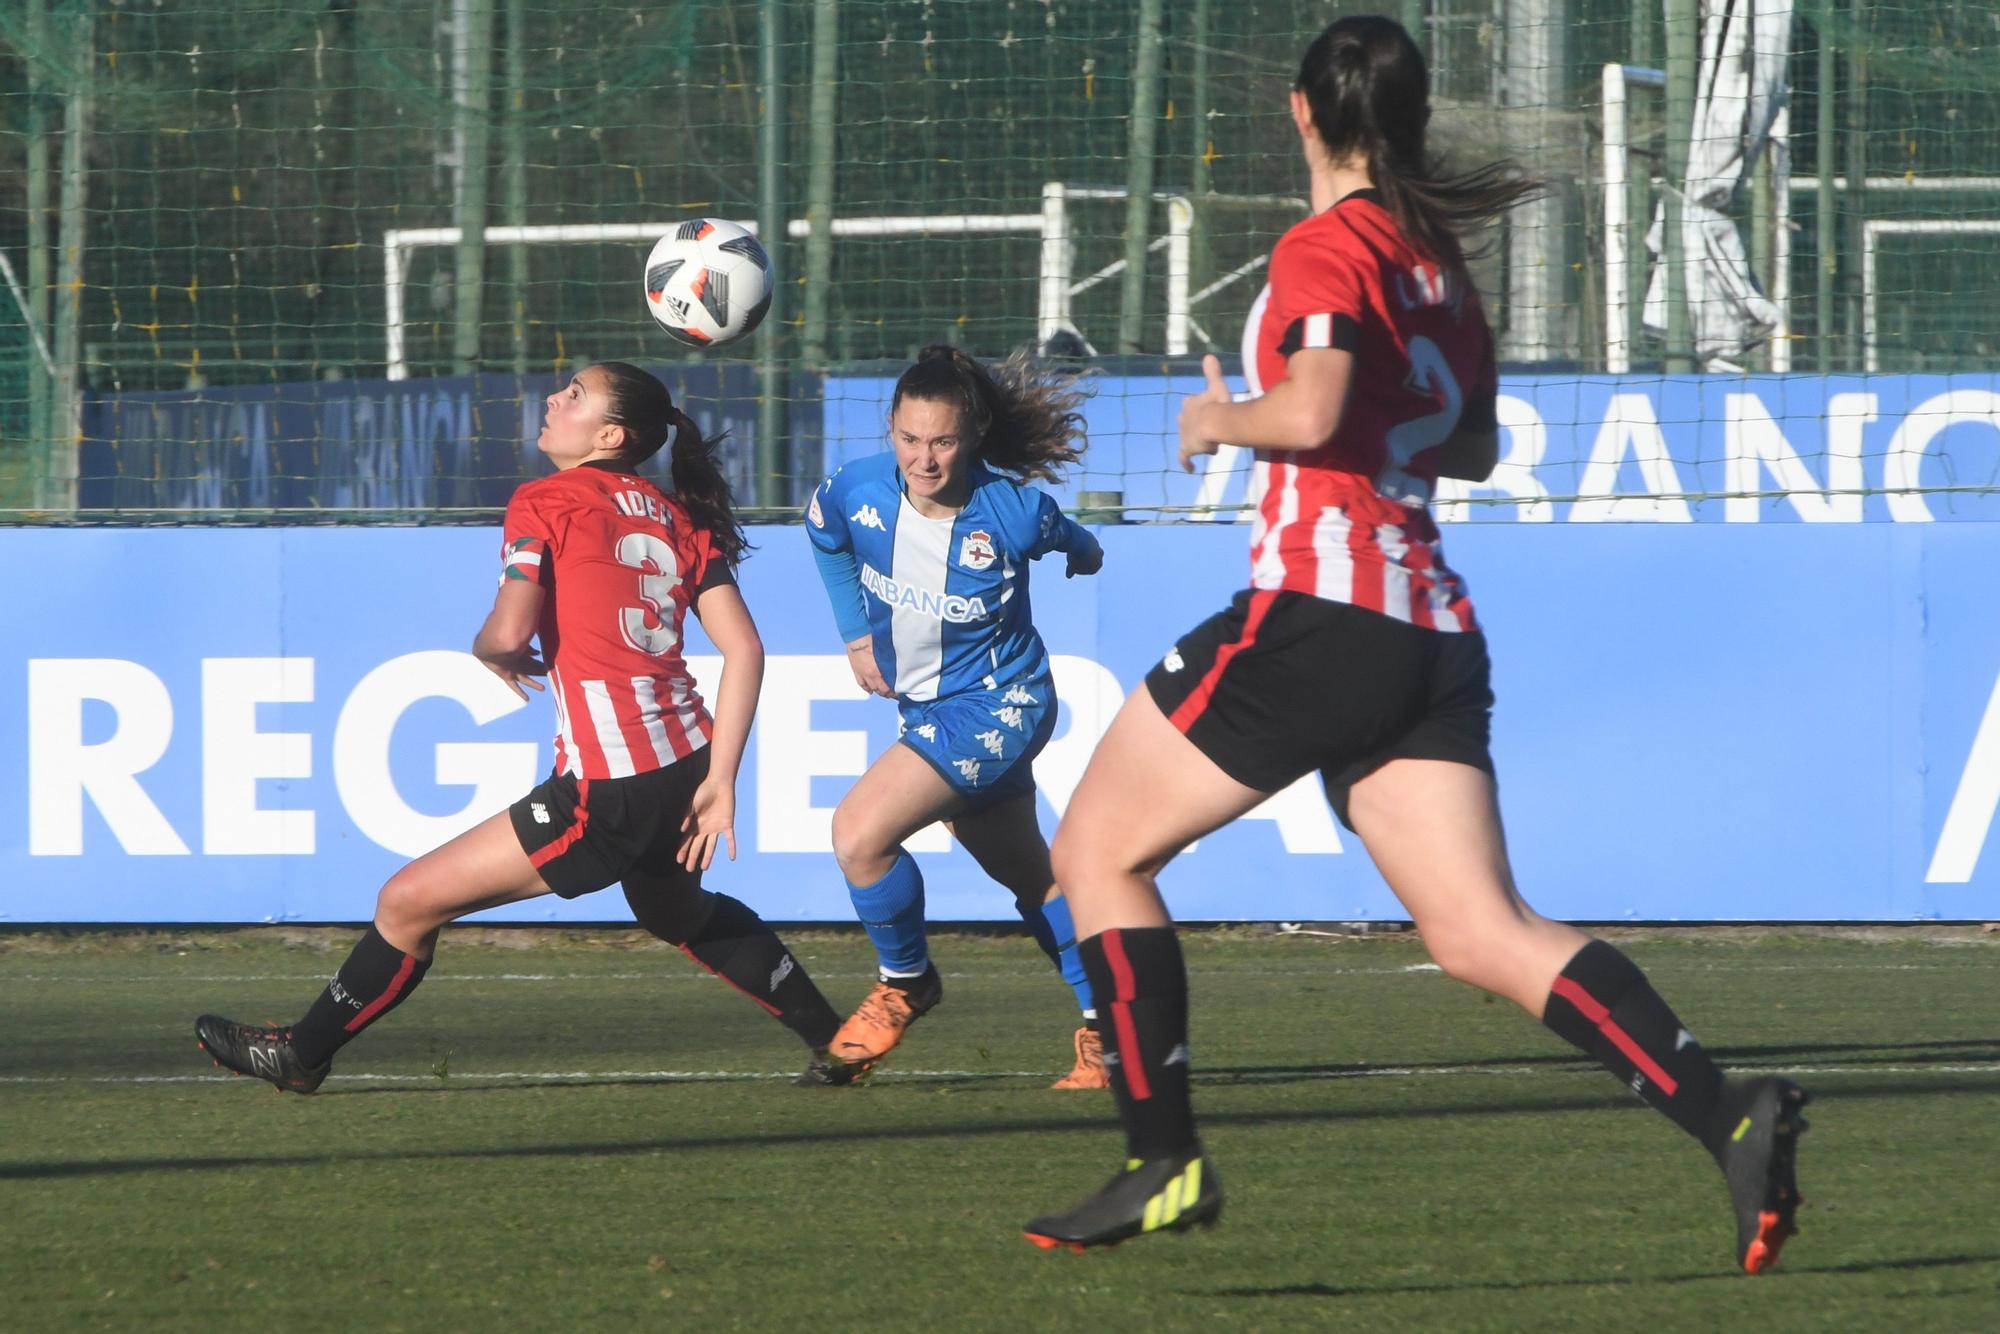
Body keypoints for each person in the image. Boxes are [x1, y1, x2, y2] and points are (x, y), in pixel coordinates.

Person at [1022, 15, 1809, 1273]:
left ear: (1298, 112)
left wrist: (1225, 416)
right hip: (1430, 626)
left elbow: (1317, 404)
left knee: (1092, 851)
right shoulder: (1433, 256)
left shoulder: (1326, 245)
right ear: (1409, 116)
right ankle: (1725, 1112)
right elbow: (1477, 443)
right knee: (1480, 931)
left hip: (1322, 609)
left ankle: (1159, 1158)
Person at [196, 362, 857, 1091]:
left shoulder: (546, 500)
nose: (553, 399)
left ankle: (300, 1056)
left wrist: (489, 650)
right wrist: (723, 779)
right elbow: (746, 649)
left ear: (609, 434)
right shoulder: (677, 514)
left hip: (611, 783)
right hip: (688, 760)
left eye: (574, 396)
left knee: (406, 902)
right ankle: (839, 1042)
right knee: (679, 915)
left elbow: (508, 635)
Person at [804, 344, 1108, 1088]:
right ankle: (1116, 1024)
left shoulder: (1011, 512)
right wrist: (854, 634)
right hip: (929, 709)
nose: (924, 459)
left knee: (858, 834)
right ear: (890, 429)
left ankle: (905, 981)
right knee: (1030, 877)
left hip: (1004, 703)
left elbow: (1074, 537)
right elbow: (824, 536)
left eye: (942, 441)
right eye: (909, 439)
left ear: (971, 436)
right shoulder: (857, 488)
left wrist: (1084, 553)